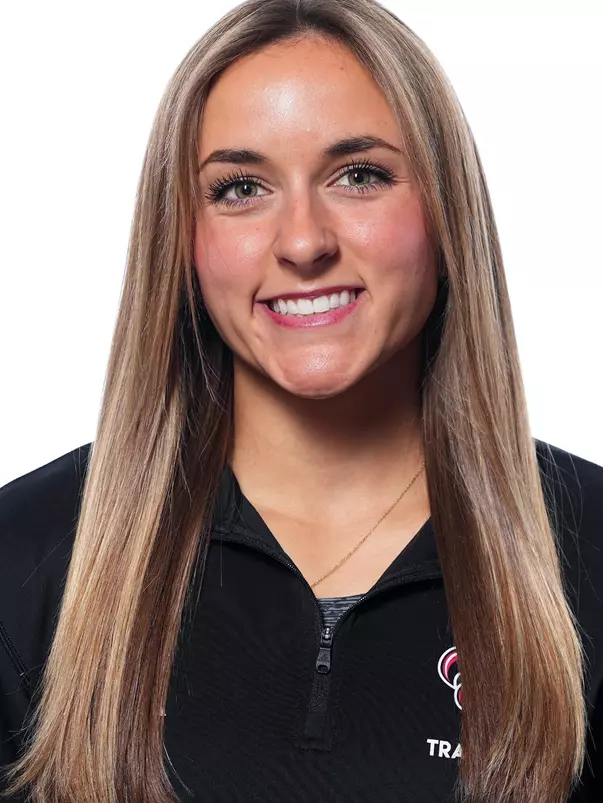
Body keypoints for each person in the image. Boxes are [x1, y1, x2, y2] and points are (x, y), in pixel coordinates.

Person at [1, 0, 602, 801]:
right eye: (240, 188)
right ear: (181, 240)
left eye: (359, 175)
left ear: (446, 214)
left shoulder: (589, 548)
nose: (302, 241)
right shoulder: (28, 555)